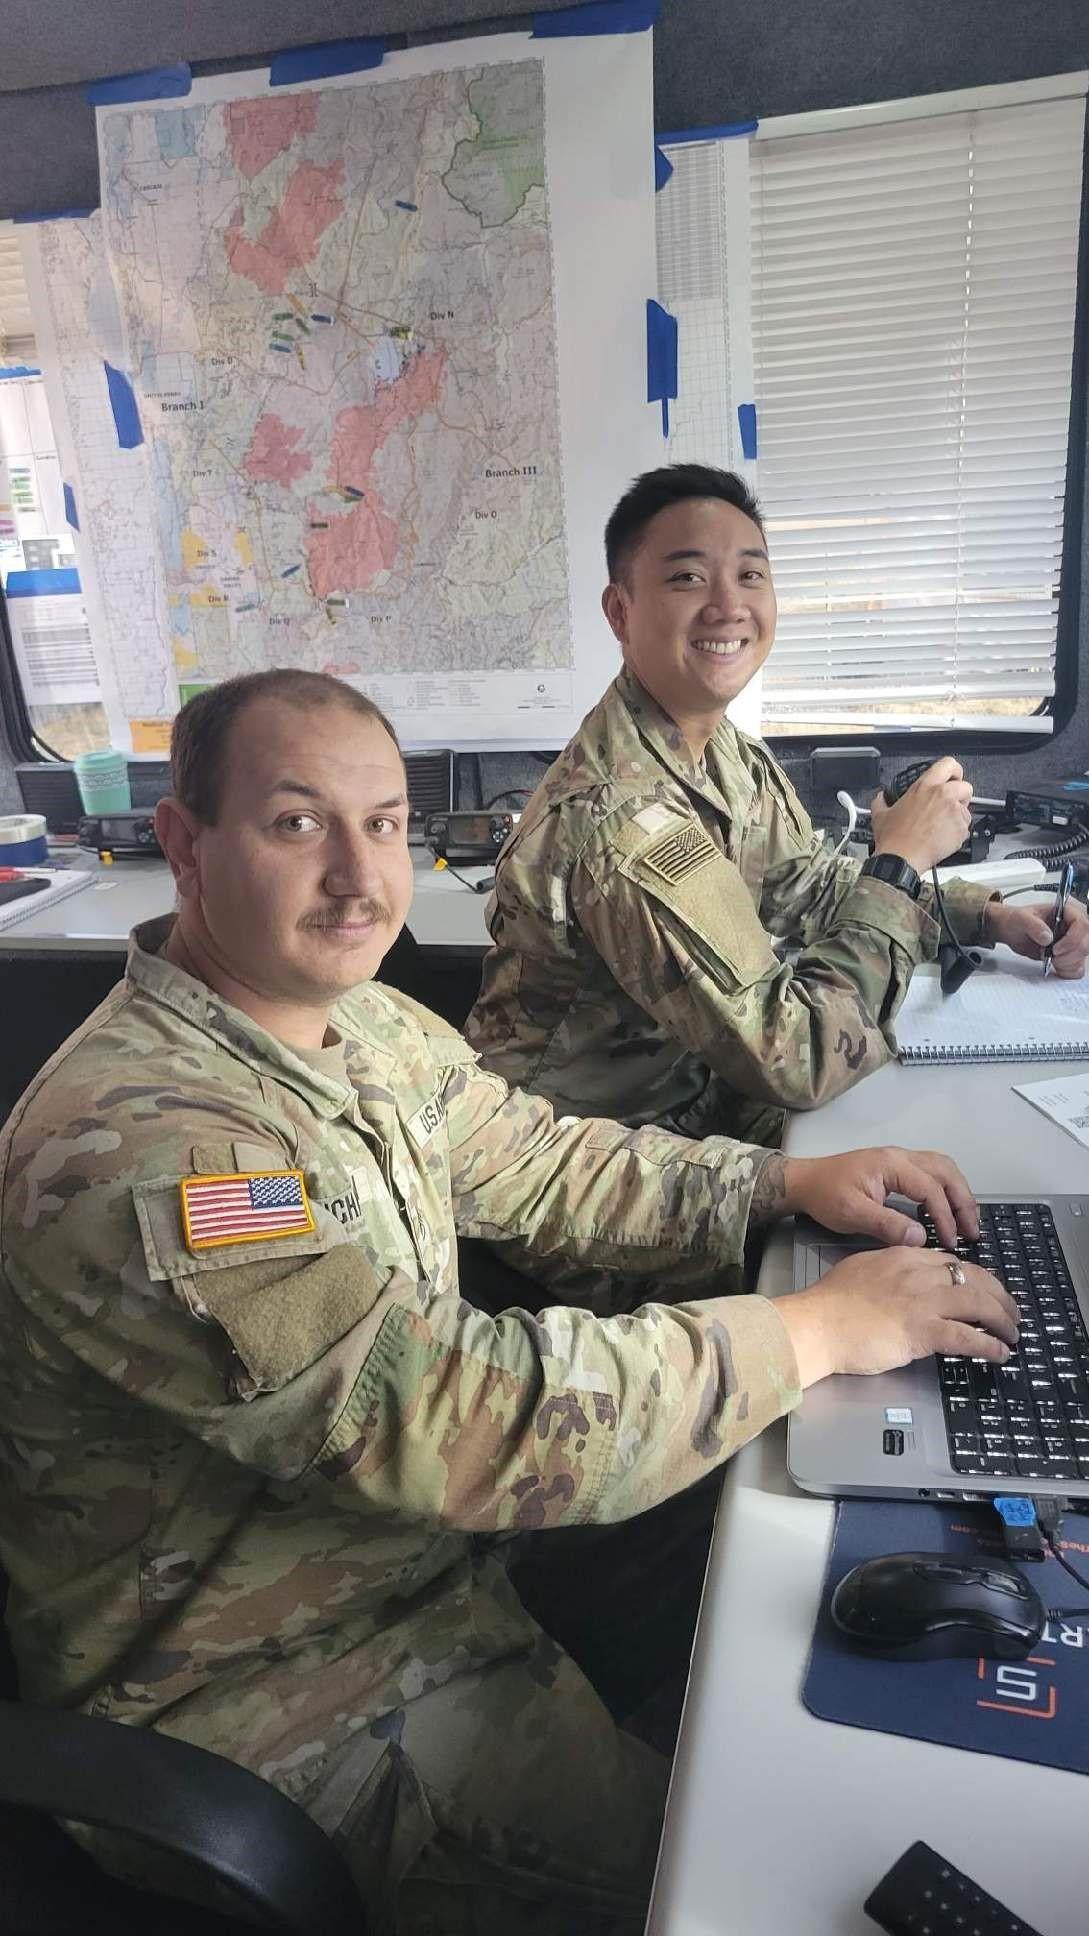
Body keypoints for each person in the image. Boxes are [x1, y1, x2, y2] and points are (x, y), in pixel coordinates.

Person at [0, 670, 1017, 1936]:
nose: (362, 880)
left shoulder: (363, 1025)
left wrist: (785, 1179)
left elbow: (545, 1160)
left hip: (415, 1561)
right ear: (184, 844)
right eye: (297, 823)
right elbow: (450, 1417)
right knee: (766, 1881)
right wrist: (815, 1329)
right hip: (279, 1687)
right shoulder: (154, 1147)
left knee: (789, 1560)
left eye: (382, 823)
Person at [465, 465, 1089, 1146]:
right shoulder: (621, 821)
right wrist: (900, 859)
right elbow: (802, 1058)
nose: (728, 606)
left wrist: (986, 917)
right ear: (620, 610)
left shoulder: (723, 751)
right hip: (588, 1160)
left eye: (750, 576)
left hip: (695, 1099)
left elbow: (809, 889)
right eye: (686, 578)